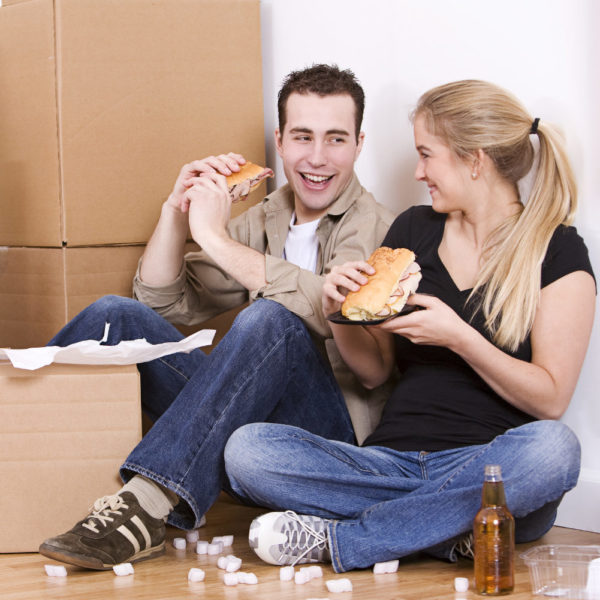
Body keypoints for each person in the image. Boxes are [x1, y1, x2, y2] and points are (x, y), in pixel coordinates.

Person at [224, 79, 596, 573]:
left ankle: (344, 542)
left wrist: (460, 337)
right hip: (386, 461)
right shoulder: (414, 230)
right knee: (248, 452)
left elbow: (549, 399)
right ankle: (447, 533)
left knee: (554, 452)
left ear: (474, 160)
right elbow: (375, 371)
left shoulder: (558, 249)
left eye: (427, 155)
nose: (418, 172)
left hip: (484, 464)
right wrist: (340, 312)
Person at [38, 64, 396, 570]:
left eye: (335, 139)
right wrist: (175, 209)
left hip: (325, 443)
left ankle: (145, 508)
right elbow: (162, 302)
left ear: (359, 144)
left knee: (271, 319)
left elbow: (326, 307)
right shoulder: (269, 214)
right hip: (238, 415)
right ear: (279, 140)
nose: (317, 158)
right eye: (302, 137)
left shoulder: (380, 227)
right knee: (113, 315)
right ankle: (19, 461)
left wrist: (214, 238)